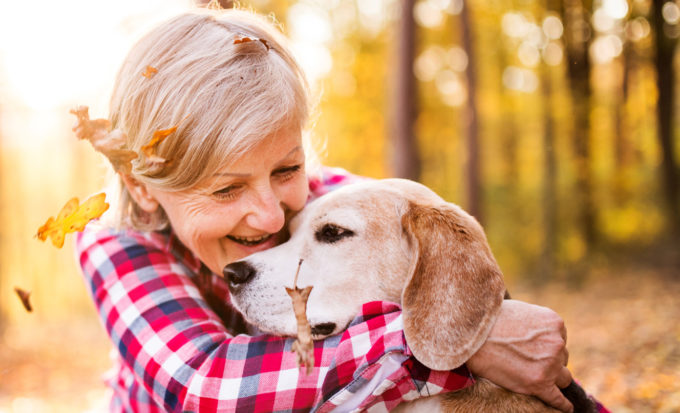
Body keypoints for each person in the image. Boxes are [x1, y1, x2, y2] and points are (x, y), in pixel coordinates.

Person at [72, 5, 597, 412]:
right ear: (142, 188)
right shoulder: (115, 239)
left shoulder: (336, 202)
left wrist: (474, 330)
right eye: (226, 190)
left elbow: (452, 290)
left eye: (285, 170)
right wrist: (448, 347)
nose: (273, 217)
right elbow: (206, 388)